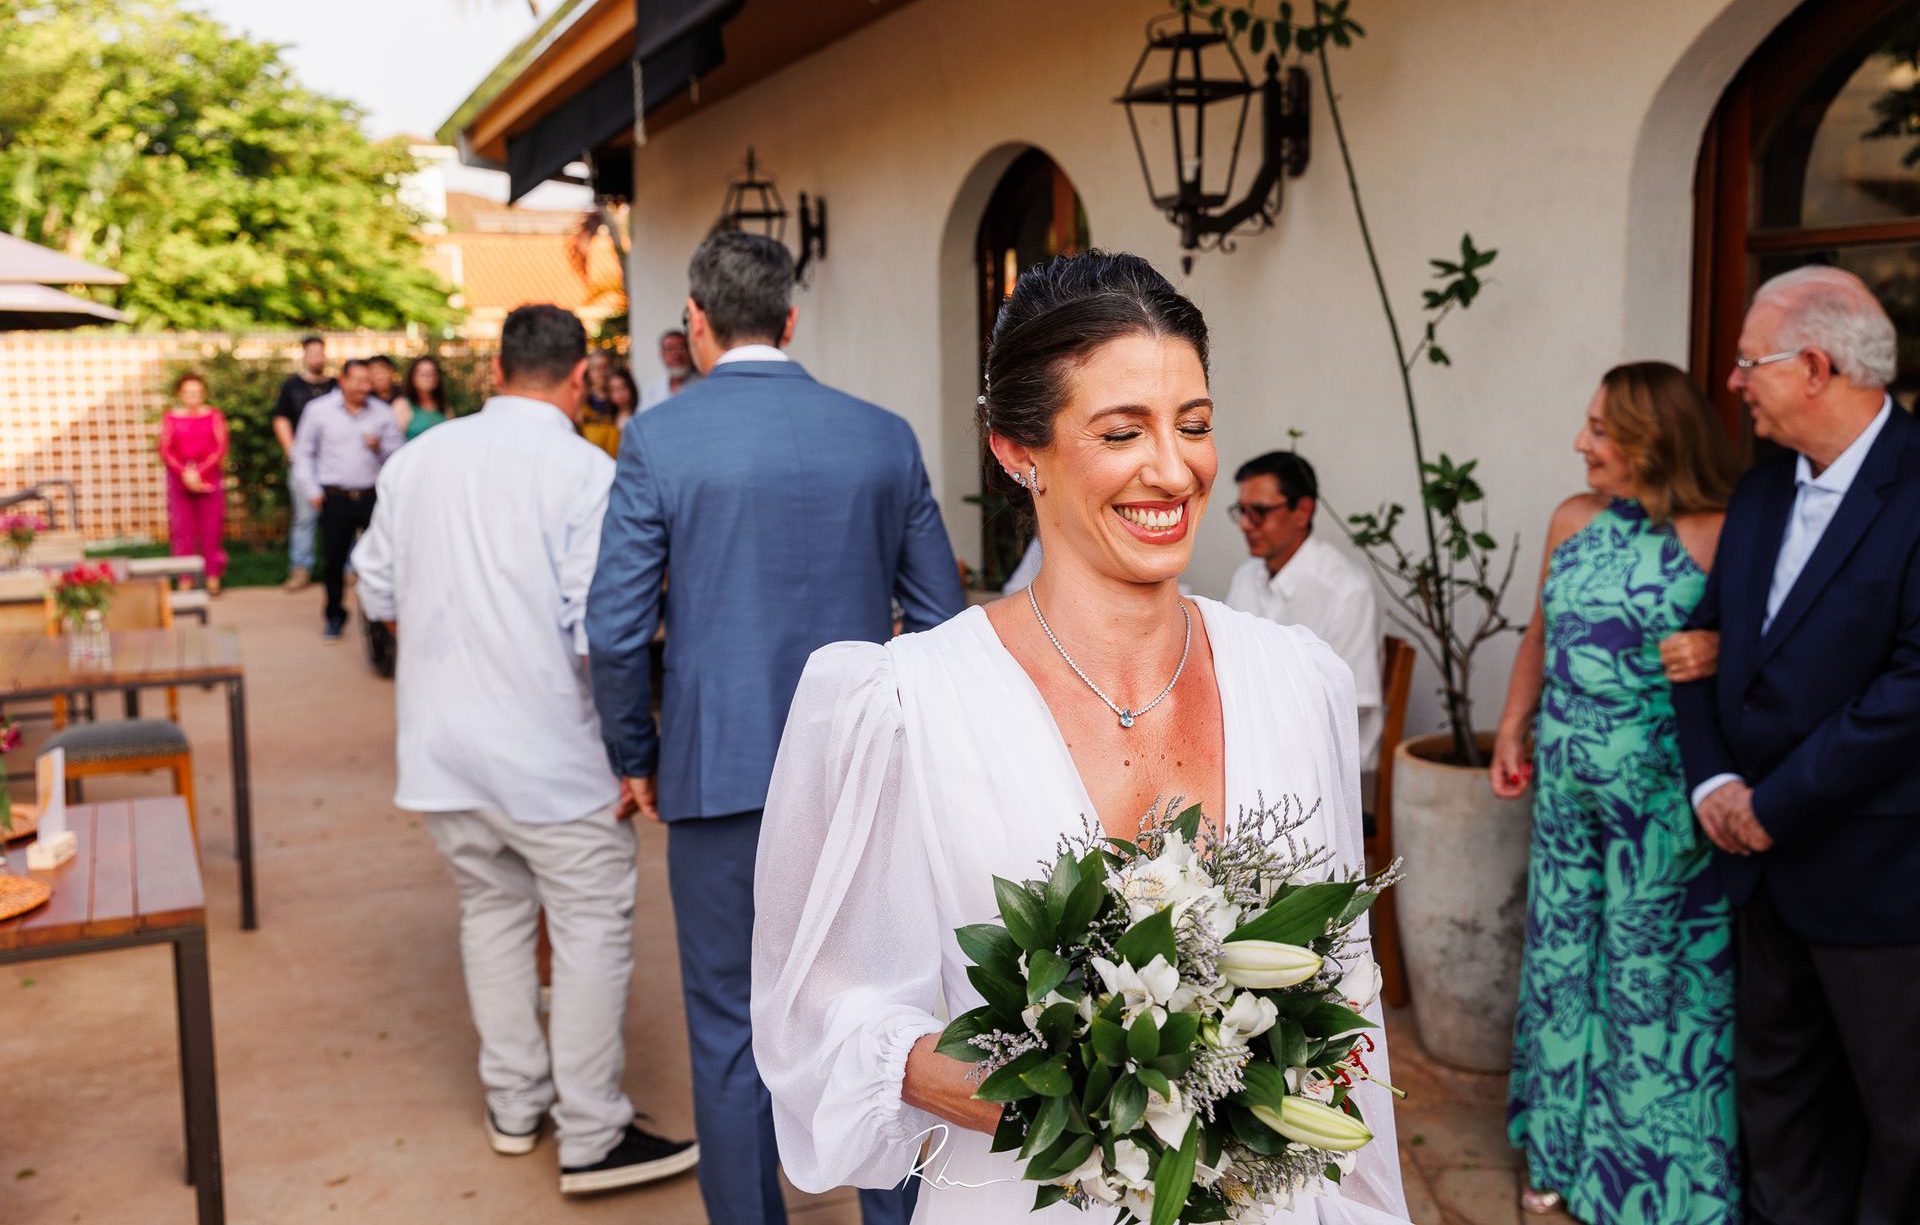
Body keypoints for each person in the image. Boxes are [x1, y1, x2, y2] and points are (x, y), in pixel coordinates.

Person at [750, 251, 1407, 1224]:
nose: (1175, 467)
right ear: (1019, 449)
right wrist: (988, 1076)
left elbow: (1346, 997)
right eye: (1121, 430)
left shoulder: (1295, 680)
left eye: (1193, 424)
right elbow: (812, 1006)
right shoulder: (904, 702)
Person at [587, 231, 963, 1225]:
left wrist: (637, 754)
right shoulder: (882, 435)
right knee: (884, 1009)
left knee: (726, 1021)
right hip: (865, 779)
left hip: (719, 772)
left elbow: (615, 629)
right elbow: (942, 619)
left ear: (696, 324)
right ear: (792, 320)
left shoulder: (660, 438)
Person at [352, 304, 697, 1197]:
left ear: (495, 370)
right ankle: (591, 1133)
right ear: (580, 377)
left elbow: (377, 588)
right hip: (551, 754)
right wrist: (634, 751)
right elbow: (603, 633)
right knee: (588, 933)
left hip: (441, 752)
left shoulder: (417, 459)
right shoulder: (586, 470)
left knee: (491, 916)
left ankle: (514, 1106)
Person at [1671, 265, 1920, 1225]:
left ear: (1815, 366)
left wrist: (1771, 805)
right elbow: (1698, 650)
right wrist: (1717, 786)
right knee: (1775, 1108)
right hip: (1756, 870)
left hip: (1882, 877)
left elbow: (1911, 691)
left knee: (1898, 1122)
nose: (1733, 383)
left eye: (1749, 363)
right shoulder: (1765, 486)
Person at [1490, 362, 1742, 1223]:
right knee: (1562, 963)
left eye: (1600, 431)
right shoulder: (1574, 518)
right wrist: (1513, 727)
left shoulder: (1721, 530)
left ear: (1653, 442)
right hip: (1566, 791)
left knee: (1649, 979)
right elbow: (1539, 633)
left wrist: (1716, 648)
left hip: (1662, 803)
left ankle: (1641, 1180)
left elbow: (1766, 654)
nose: (1580, 444)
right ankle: (1557, 1151)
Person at [1224, 450, 1385, 772]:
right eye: (1241, 511)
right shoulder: (1247, 575)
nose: (1245, 524)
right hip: (1252, 743)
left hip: (1319, 759)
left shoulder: (1346, 591)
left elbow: (1351, 708)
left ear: (1302, 511)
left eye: (1259, 512)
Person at [291, 358, 403, 642]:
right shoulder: (319, 411)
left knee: (384, 558)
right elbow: (303, 452)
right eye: (359, 380)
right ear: (343, 381)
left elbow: (398, 456)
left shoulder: (382, 412)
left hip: (371, 497)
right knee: (334, 562)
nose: (366, 386)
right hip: (335, 497)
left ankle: (382, 619)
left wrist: (380, 447)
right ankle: (334, 616)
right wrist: (312, 490)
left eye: (368, 381)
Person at [272, 334, 335, 591]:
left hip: (333, 461)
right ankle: (301, 569)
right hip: (305, 462)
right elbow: (281, 418)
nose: (316, 358)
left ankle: (348, 568)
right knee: (304, 517)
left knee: (340, 516)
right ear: (305, 356)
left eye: (319, 353)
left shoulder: (336, 385)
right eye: (311, 353)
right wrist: (292, 450)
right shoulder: (292, 387)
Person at [158, 372, 229, 594]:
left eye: (197, 392)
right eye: (188, 392)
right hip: (180, 482)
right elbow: (165, 449)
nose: (192, 397)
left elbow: (220, 447)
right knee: (182, 530)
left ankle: (212, 577)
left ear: (203, 393)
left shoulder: (214, 416)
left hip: (208, 478)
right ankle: (185, 578)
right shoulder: (171, 418)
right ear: (180, 394)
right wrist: (185, 473)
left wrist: (199, 472)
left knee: (211, 529)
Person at [638, 328, 699, 411]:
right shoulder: (652, 391)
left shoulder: (703, 384)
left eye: (681, 348)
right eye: (669, 349)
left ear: (690, 352)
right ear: (662, 355)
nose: (676, 354)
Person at [394, 355, 453, 441]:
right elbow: (395, 441)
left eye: (433, 373)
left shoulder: (444, 406)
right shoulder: (403, 405)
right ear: (412, 378)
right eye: (423, 374)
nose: (429, 378)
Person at [579, 350, 622, 456]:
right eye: (597, 368)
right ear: (589, 372)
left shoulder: (620, 400)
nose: (602, 373)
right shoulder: (581, 401)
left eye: (606, 367)